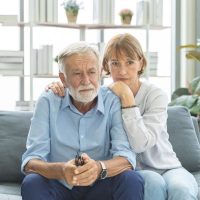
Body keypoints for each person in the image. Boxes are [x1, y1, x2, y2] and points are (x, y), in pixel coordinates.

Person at [47, 33, 198, 200]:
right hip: (129, 173)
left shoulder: (155, 95)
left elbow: (141, 144)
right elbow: (75, 89)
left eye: (130, 62)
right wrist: (59, 86)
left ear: (141, 63)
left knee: (181, 190)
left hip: (168, 167)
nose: (123, 71)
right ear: (106, 66)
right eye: (115, 63)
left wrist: (127, 99)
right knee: (152, 184)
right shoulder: (100, 95)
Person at [21, 42, 144, 200]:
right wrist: (62, 170)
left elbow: (126, 158)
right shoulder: (48, 101)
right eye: (77, 73)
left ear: (99, 73)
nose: (86, 81)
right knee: (32, 182)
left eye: (92, 72)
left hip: (101, 185)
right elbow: (31, 162)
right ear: (63, 78)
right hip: (60, 186)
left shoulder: (112, 100)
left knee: (131, 180)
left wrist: (99, 168)